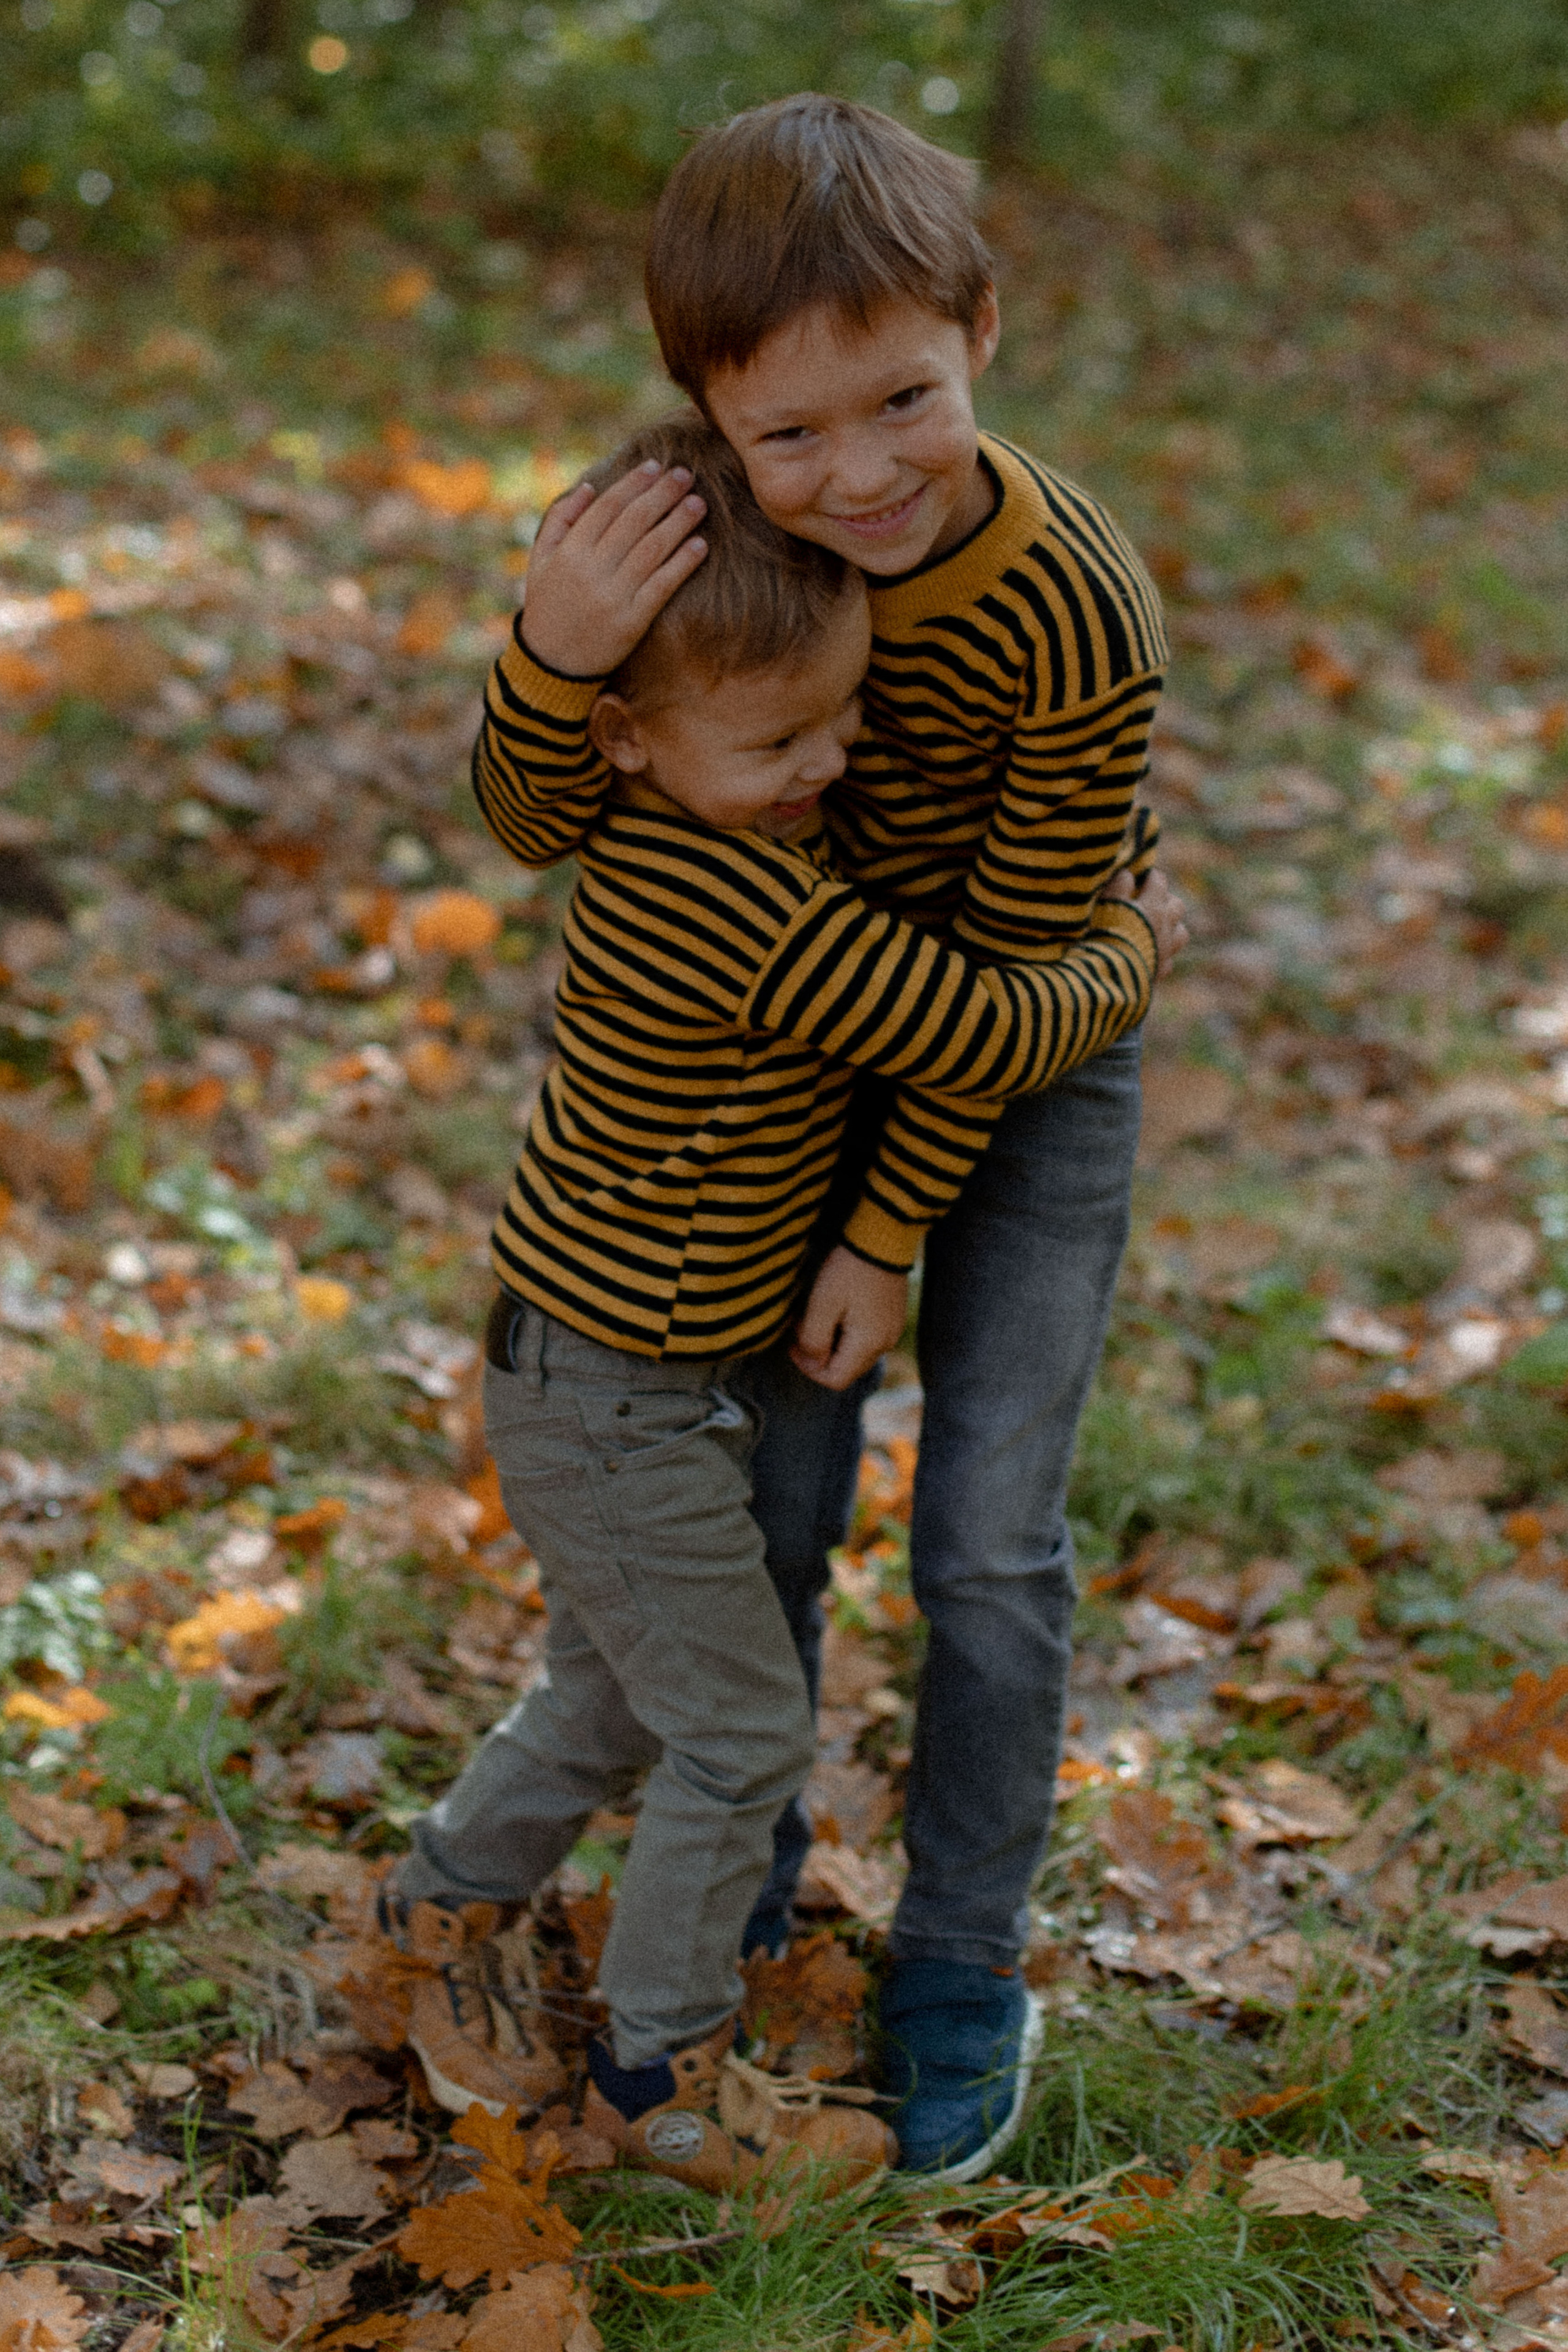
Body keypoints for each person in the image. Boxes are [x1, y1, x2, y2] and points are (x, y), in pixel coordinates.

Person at [470, 94, 1177, 2180]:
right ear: (707, 412)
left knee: (987, 1541)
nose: (859, 474)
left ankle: (959, 1955)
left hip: (1011, 1064)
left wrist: (888, 1237)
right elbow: (540, 816)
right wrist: (553, 652)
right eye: (791, 432)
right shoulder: (703, 540)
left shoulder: (1074, 613)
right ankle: (741, 1887)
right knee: (765, 1509)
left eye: (906, 403)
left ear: (984, 333)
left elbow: (1013, 983)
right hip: (793, 1072)